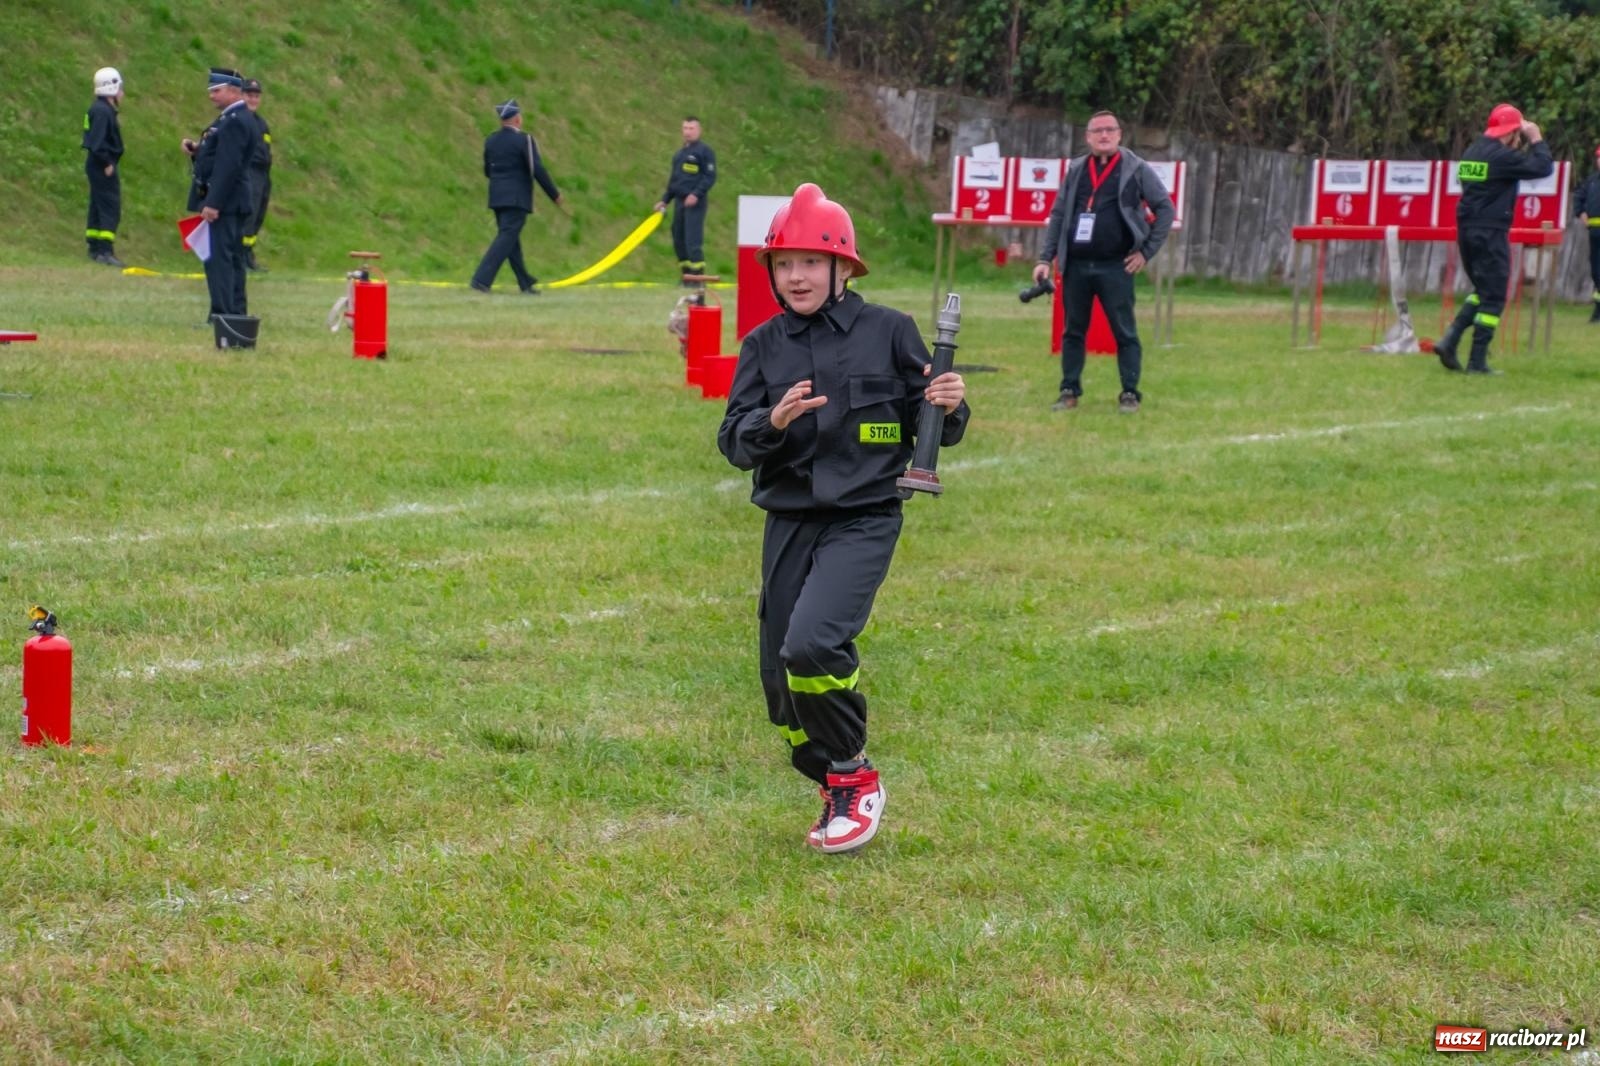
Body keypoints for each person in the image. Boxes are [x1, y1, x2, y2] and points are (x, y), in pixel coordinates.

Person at [717, 183, 971, 855]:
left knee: (812, 645)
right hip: (790, 521)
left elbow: (935, 426)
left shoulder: (888, 331)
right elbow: (733, 440)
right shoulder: (762, 346)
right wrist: (771, 421)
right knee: (781, 682)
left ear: (842, 269)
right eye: (783, 263)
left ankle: (856, 776)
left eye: (809, 261)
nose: (795, 276)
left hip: (864, 516)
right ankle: (830, 776)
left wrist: (948, 401)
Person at [1034, 110, 1174, 413]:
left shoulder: (1135, 168)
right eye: (1097, 131)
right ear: (1088, 137)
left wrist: (1146, 252)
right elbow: (1059, 215)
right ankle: (1069, 390)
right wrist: (1046, 258)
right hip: (1077, 266)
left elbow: (1165, 209)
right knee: (1073, 331)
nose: (1104, 135)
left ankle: (1130, 393)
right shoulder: (1076, 170)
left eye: (1110, 130)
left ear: (1120, 134)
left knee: (1124, 332)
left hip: (1116, 266)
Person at [1434, 104, 1553, 374]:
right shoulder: (1502, 157)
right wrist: (1535, 138)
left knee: (1484, 290)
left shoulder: (1472, 151)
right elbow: (1542, 167)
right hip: (1489, 231)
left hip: (1467, 229)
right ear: (1512, 133)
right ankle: (1477, 361)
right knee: (1495, 296)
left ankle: (1450, 341)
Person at [182, 68, 258, 320]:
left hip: (226, 202)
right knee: (232, 258)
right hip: (233, 200)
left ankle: (223, 314)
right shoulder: (234, 117)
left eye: (216, 91)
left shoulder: (234, 121)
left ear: (234, 91)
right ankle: (234, 311)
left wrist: (213, 203)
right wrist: (197, 151)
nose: (211, 96)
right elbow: (220, 155)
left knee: (220, 260)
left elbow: (229, 165)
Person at [470, 99, 562, 294]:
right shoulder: (524, 140)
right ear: (517, 119)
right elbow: (536, 168)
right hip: (516, 197)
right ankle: (481, 279)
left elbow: (487, 170)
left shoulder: (491, 140)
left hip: (496, 196)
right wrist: (554, 194)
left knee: (511, 239)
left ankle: (525, 282)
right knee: (506, 237)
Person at [654, 116, 717, 284]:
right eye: (685, 128)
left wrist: (696, 194)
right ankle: (686, 276)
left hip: (695, 203)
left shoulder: (705, 152)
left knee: (692, 241)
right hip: (680, 203)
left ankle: (698, 278)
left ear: (699, 130)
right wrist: (665, 200)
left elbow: (710, 177)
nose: (688, 132)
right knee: (679, 239)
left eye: (691, 128)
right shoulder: (679, 155)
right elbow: (674, 181)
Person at [83, 66, 125, 267]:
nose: (122, 92)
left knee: (97, 204)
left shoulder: (100, 109)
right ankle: (105, 250)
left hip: (97, 164)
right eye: (119, 88)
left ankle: (94, 245)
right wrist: (107, 163)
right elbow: (98, 143)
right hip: (102, 165)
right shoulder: (103, 112)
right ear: (111, 88)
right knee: (110, 206)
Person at [241, 78, 272, 273]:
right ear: (242, 96)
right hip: (248, 173)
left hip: (263, 175)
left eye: (256, 96)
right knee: (247, 215)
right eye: (249, 95)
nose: (253, 99)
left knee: (257, 215)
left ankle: (249, 254)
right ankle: (241, 256)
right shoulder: (240, 120)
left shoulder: (261, 123)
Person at [1575, 145, 1600, 325]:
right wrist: (1580, 212)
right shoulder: (1592, 180)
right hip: (1594, 233)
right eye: (1599, 157)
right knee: (1597, 272)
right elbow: (1579, 196)